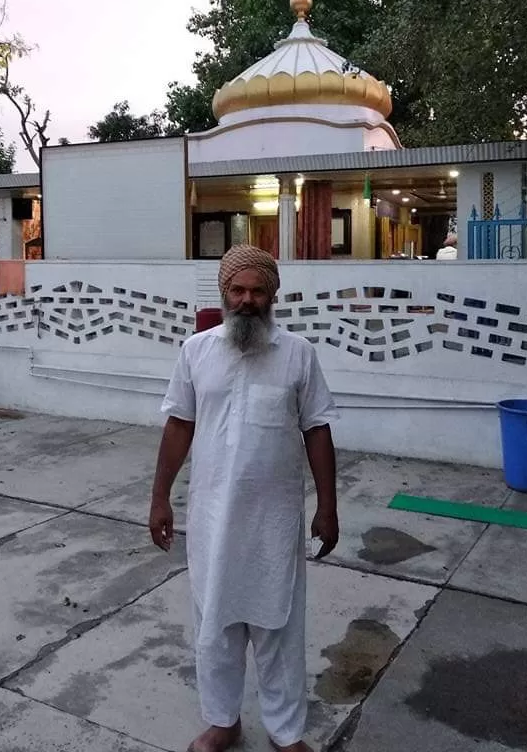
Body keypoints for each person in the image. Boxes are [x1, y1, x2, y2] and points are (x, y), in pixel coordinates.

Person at [149, 245, 339, 752]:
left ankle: (286, 732)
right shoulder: (197, 352)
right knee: (216, 627)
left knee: (278, 628)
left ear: (273, 295)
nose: (248, 300)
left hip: (274, 523)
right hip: (212, 520)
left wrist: (327, 506)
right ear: (223, 293)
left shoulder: (298, 355)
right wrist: (160, 498)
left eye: (258, 290)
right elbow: (178, 427)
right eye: (238, 290)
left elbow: (317, 429)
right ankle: (222, 720)